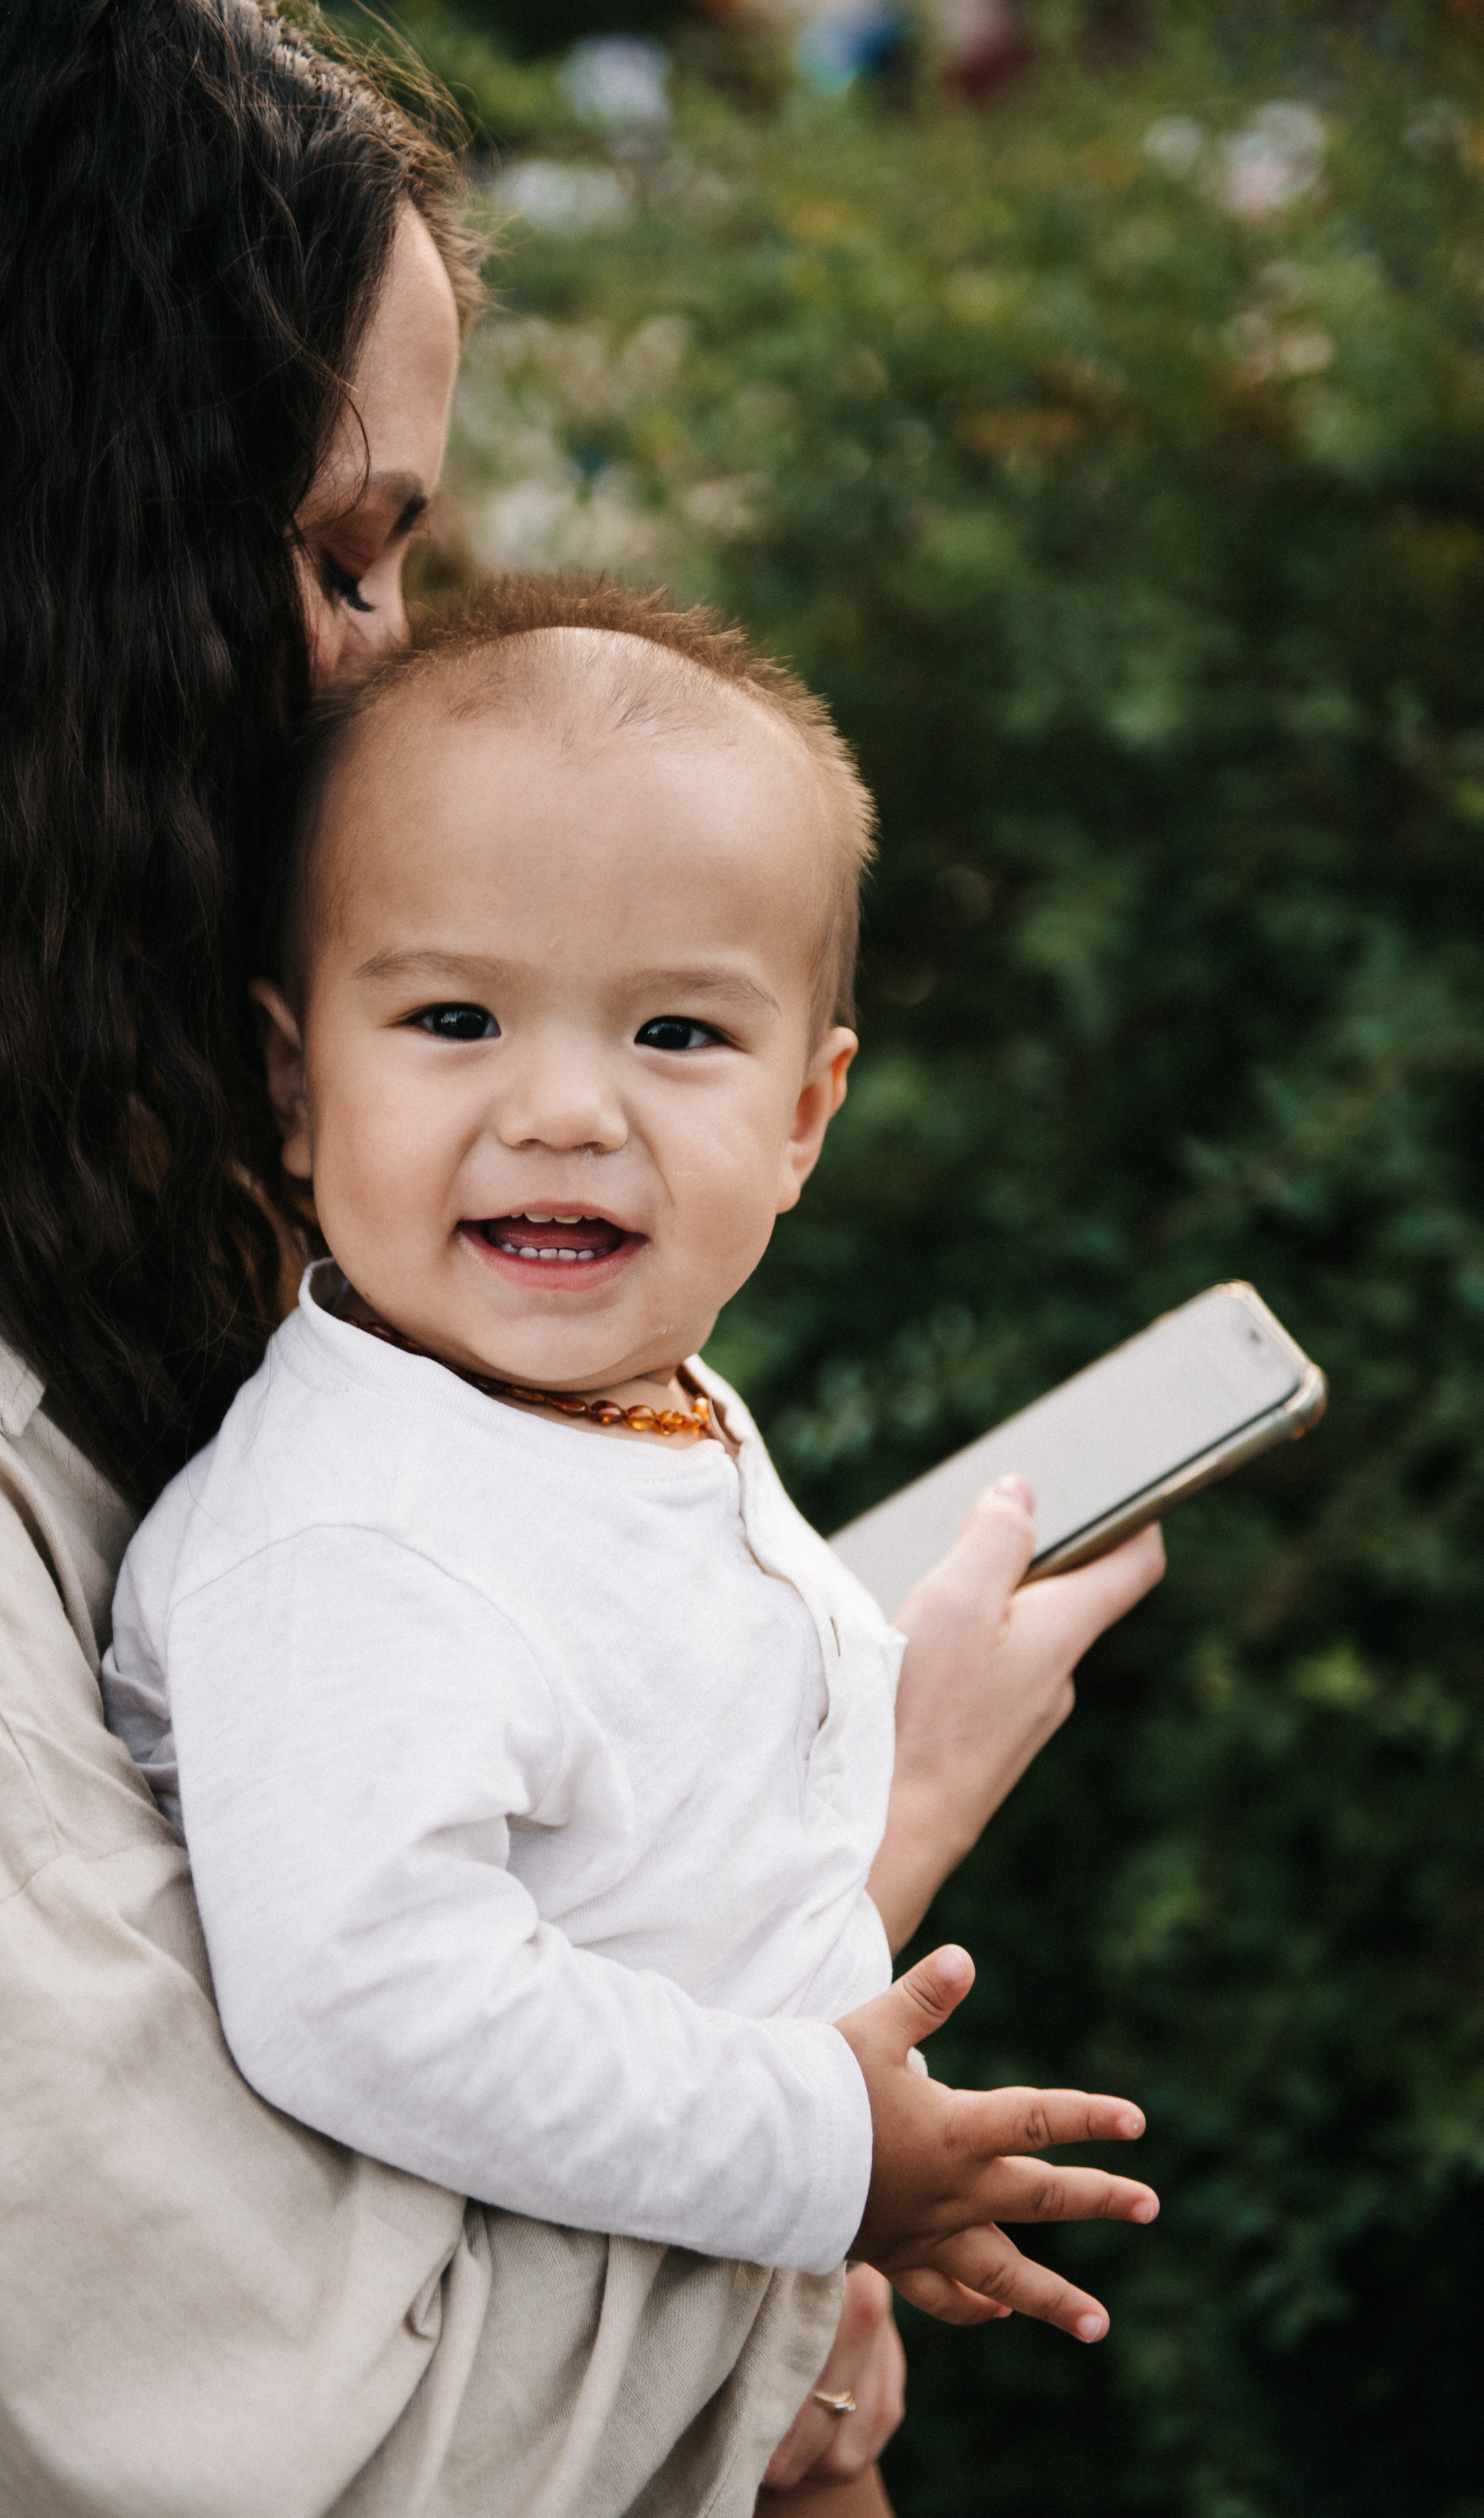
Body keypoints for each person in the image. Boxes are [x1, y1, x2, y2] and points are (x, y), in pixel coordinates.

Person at [0, 3, 1163, 2512]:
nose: (389, 671)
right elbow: (269, 2433)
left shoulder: (91, 1147)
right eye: (341, 557)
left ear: (814, 1104)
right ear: (23, 559)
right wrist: (858, 1908)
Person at [102, 575, 1160, 2363]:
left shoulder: (620, 1403)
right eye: (456, 1019)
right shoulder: (351, 1537)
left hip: (701, 2314)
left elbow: (681, 1873)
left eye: (677, 1034)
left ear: (803, 1117)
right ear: (292, 1084)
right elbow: (369, 2001)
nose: (565, 1113)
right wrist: (825, 2155)